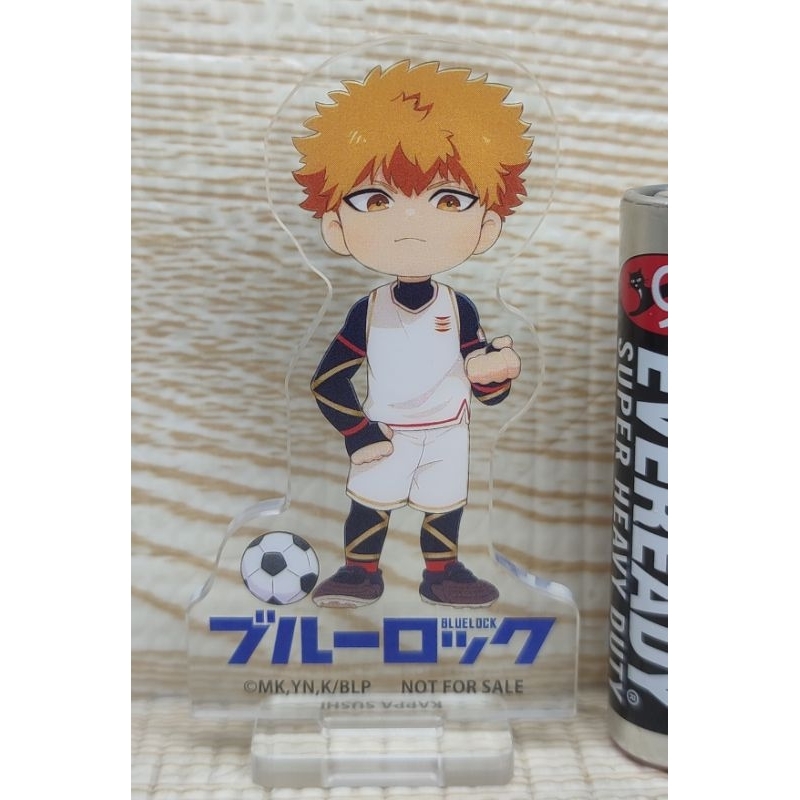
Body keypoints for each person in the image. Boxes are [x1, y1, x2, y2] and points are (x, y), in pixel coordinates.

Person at [292, 60, 531, 608]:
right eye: (375, 200)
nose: (411, 224)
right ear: (336, 225)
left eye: (449, 200)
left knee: (444, 506)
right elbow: (328, 379)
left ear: (487, 225)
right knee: (369, 504)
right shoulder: (369, 310)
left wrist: (492, 376)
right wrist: (359, 433)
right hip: (388, 429)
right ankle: (359, 572)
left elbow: (484, 382)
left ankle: (442, 573)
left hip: (448, 431)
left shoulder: (458, 307)